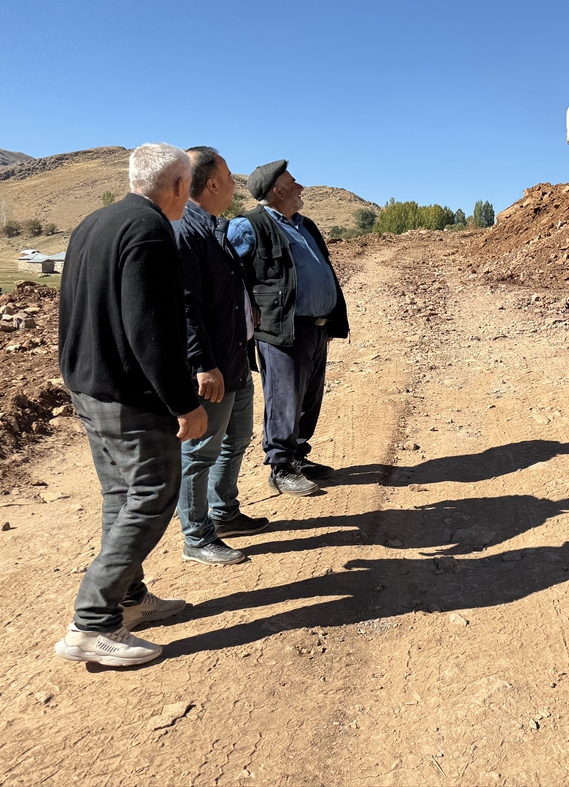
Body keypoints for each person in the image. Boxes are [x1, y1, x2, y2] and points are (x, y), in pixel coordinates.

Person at [54, 143, 208, 667]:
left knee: (120, 494)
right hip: (129, 396)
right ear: (180, 186)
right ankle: (91, 623)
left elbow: (73, 308)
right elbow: (151, 331)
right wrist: (185, 404)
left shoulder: (93, 223)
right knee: (152, 494)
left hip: (90, 387)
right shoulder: (149, 231)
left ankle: (129, 599)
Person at [171, 147, 270, 566]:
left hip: (235, 359)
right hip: (212, 367)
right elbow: (186, 306)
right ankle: (197, 536)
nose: (235, 183)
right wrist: (201, 365)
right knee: (200, 453)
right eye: (229, 176)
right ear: (212, 183)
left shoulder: (216, 228)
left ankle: (225, 512)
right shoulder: (186, 233)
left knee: (237, 438)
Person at [227, 160, 348, 497]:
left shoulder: (304, 224)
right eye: (293, 183)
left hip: (316, 327)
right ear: (277, 191)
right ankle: (280, 467)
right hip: (282, 330)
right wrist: (248, 314)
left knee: (309, 397)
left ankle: (297, 456)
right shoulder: (247, 226)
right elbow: (226, 274)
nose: (301, 188)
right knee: (285, 399)